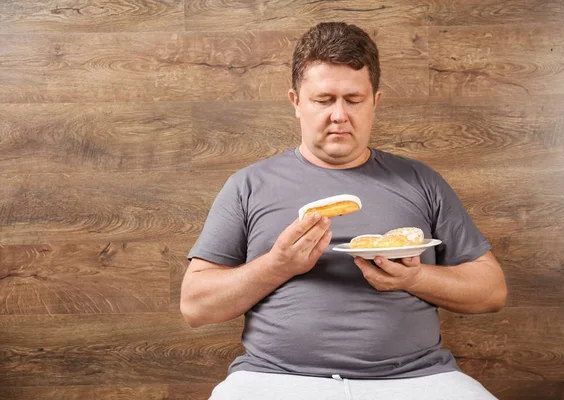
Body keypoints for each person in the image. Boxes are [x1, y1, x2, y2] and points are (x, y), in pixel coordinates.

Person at [180, 22, 507, 400]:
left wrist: (413, 280)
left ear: (375, 103)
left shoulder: (421, 181)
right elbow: (194, 305)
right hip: (275, 379)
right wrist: (278, 265)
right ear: (296, 103)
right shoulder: (248, 185)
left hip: (417, 380)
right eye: (323, 100)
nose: (339, 115)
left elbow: (491, 291)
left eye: (353, 100)